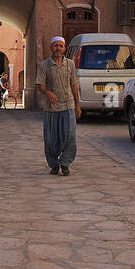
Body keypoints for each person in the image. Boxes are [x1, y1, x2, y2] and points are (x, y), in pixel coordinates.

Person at [36, 36, 80, 175]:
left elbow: (74, 85)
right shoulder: (44, 65)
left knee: (70, 136)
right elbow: (40, 85)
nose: (58, 49)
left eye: (61, 46)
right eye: (56, 46)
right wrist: (47, 92)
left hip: (68, 105)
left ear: (64, 48)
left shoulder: (70, 64)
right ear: (51, 47)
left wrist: (78, 105)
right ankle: (54, 164)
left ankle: (65, 163)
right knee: (50, 138)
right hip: (51, 108)